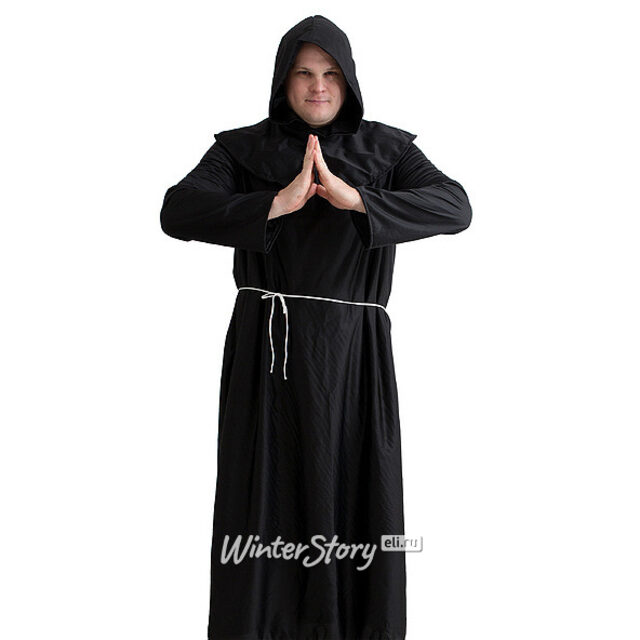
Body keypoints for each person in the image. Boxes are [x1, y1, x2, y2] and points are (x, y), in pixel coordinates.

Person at [160, 14, 472, 640]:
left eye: (330, 73)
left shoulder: (387, 151)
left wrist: (357, 200)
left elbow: (455, 206)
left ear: (349, 81)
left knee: (356, 486)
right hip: (266, 351)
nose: (318, 86)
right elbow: (177, 210)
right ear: (284, 81)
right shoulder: (242, 151)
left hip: (353, 353)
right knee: (264, 489)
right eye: (303, 73)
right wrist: (275, 203)